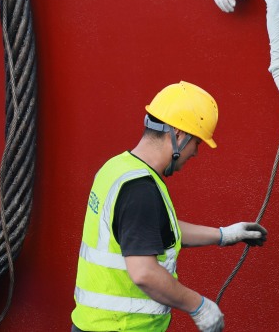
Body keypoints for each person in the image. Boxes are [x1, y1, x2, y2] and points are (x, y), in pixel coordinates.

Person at [71, 81, 268, 332]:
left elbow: (149, 230)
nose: (195, 153)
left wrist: (223, 235)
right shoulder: (140, 189)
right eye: (197, 143)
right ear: (178, 135)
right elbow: (144, 273)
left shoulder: (117, 168)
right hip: (124, 327)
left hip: (94, 324)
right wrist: (198, 306)